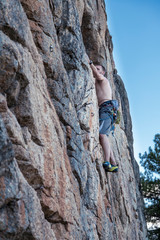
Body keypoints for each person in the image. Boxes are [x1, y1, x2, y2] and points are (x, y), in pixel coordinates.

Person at [89, 60, 118, 172]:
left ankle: (107, 161)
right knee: (104, 136)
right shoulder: (96, 81)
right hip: (106, 109)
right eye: (95, 68)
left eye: (98, 69)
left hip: (107, 108)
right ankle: (114, 164)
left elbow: (97, 75)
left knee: (102, 135)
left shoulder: (102, 79)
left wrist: (90, 63)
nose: (96, 70)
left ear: (103, 72)